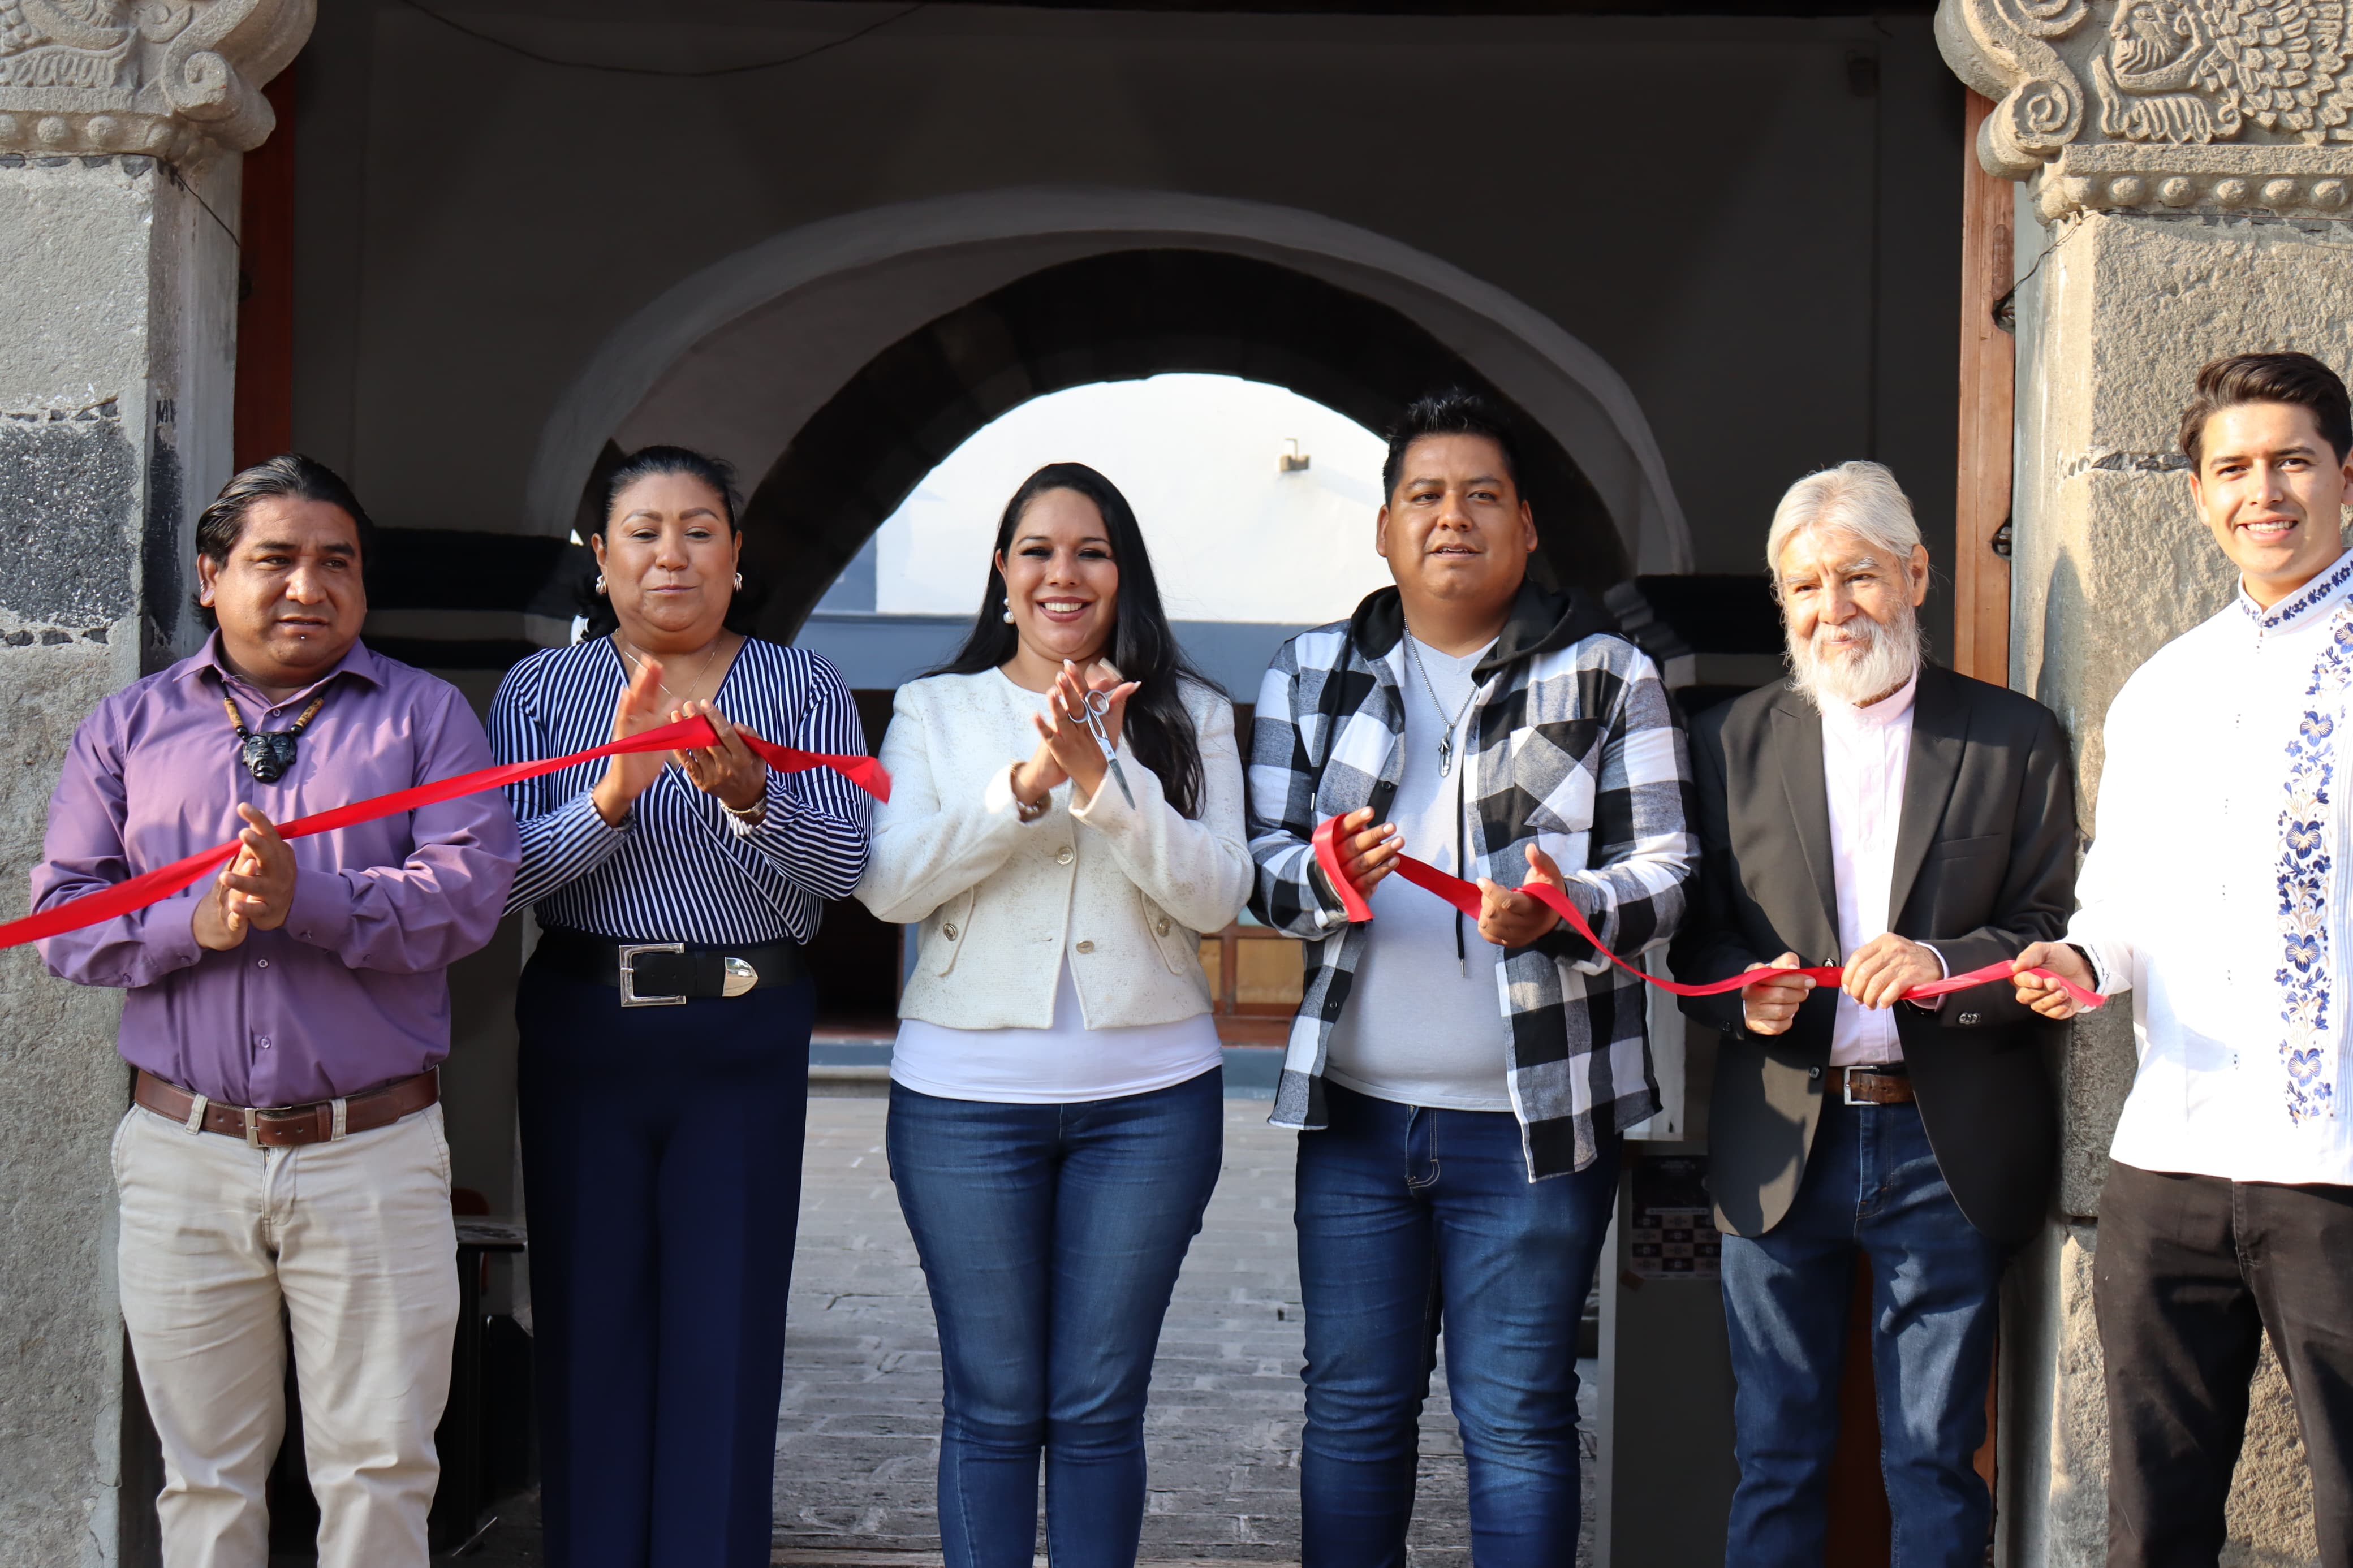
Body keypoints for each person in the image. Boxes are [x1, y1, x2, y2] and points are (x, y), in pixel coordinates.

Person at [32, 456, 519, 1566]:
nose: (309, 585)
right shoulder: (130, 727)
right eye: (276, 559)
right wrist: (190, 924)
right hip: (184, 1153)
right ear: (211, 576)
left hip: (372, 1152)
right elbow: (63, 919)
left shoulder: (427, 717)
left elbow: (468, 898)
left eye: (336, 562)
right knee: (205, 1479)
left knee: (380, 1472)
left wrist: (312, 900)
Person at [1245, 388, 1692, 1564]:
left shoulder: (1609, 673)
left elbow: (1668, 870)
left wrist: (1564, 906)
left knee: (1519, 1418)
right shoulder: (1310, 670)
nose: (1454, 517)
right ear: (1384, 528)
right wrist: (1323, 874)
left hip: (1537, 1122)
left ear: (1527, 527)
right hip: (1356, 1119)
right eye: (1426, 495)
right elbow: (1258, 865)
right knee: (1352, 1414)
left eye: (1483, 495)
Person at [1667, 460, 2074, 1568]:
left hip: (1945, 1145)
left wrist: (1940, 960)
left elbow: (2049, 923)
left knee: (1935, 1462)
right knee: (1775, 1458)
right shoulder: (1727, 742)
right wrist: (1742, 994)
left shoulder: (2014, 737)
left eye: (1857, 576)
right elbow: (1697, 938)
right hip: (1781, 1135)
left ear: (1917, 574)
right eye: (1805, 586)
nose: (1833, 607)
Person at [856, 462, 1250, 1568]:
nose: (1061, 574)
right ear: (1002, 571)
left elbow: (1220, 896)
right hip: (961, 1103)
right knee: (991, 1399)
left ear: (1124, 575)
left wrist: (1108, 784)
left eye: (1090, 552)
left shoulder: (1190, 713)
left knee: (1098, 1405)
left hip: (1152, 1104)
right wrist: (1024, 786)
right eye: (1037, 550)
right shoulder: (935, 709)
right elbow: (890, 886)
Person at [488, 446, 872, 1567]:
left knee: (726, 1332)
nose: (672, 555)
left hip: (743, 1036)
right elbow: (497, 879)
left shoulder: (803, 687)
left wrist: (754, 796)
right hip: (586, 1027)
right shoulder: (540, 693)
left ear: (737, 554)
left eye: (700, 531)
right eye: (644, 533)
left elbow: (846, 867)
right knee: (589, 1324)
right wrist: (609, 799)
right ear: (600, 557)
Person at [2012, 352, 2353, 1568]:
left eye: (2291, 461)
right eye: (2233, 468)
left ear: (2346, 476)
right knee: (2151, 1523)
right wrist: (2077, 959)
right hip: (2169, 1163)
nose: (2263, 492)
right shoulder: (2164, 688)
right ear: (2200, 495)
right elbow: (2121, 901)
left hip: (2336, 1166)